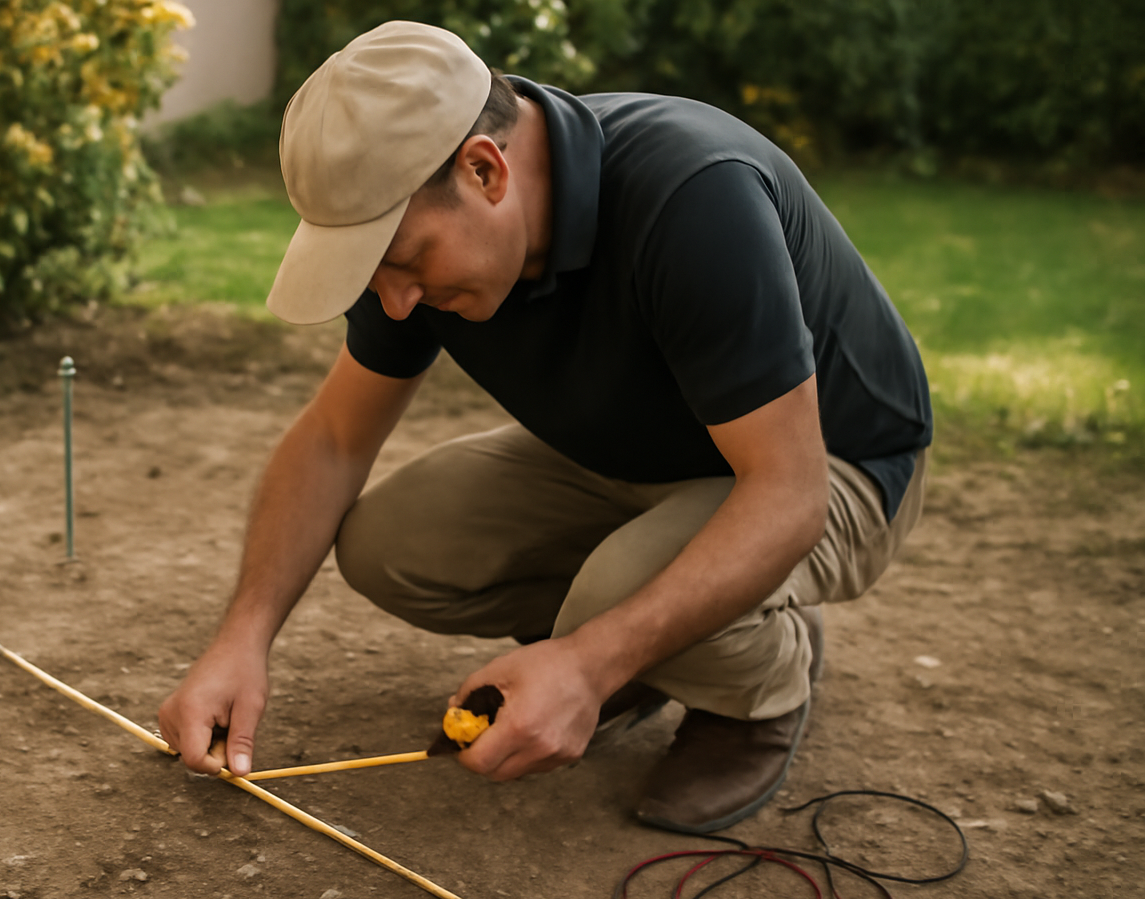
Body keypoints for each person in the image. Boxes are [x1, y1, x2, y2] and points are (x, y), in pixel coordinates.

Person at [158, 20, 932, 834]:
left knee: (613, 596)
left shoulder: (693, 195)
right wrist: (241, 639)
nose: (394, 301)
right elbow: (334, 438)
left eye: (405, 263)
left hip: (832, 467)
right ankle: (649, 640)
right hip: (640, 452)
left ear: (484, 170)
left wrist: (590, 662)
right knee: (390, 546)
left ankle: (759, 688)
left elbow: (788, 494)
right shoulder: (410, 238)